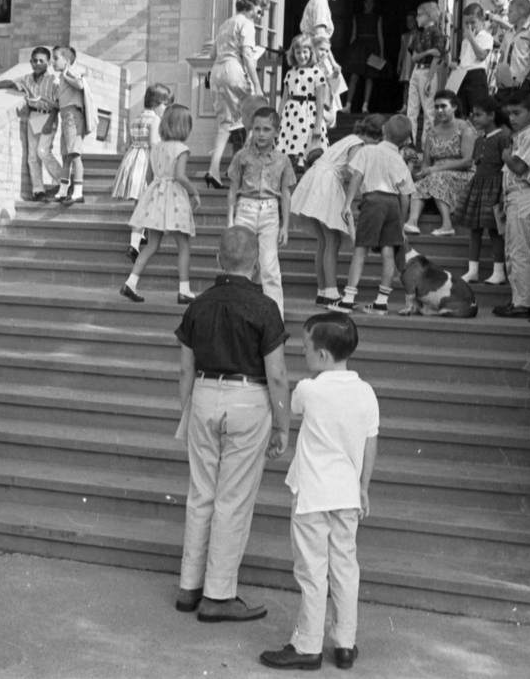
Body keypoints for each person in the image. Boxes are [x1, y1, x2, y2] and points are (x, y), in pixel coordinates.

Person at [173, 225, 290, 623]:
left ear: (217, 259)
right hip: (248, 397)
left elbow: (185, 370)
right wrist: (282, 423)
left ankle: (189, 585)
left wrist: (188, 410)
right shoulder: (264, 308)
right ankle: (219, 594)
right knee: (233, 499)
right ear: (256, 264)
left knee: (200, 494)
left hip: (204, 394)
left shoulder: (198, 305)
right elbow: (276, 375)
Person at [259, 312, 378, 672]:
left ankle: (307, 644)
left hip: (312, 495)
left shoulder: (310, 390)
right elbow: (371, 441)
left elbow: (289, 409)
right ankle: (345, 642)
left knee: (312, 570)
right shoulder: (366, 391)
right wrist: (363, 487)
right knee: (345, 567)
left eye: (306, 346)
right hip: (347, 494)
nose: (302, 352)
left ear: (323, 356)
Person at [329, 115, 417, 316]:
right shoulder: (400, 160)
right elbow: (406, 196)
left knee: (361, 250)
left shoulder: (368, 151)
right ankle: (381, 302)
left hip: (373, 201)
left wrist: (347, 203)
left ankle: (348, 299)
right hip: (393, 204)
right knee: (388, 253)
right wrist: (402, 223)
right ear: (405, 141)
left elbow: (357, 177)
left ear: (384, 130)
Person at [120, 104, 201, 304]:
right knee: (183, 245)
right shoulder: (182, 149)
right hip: (174, 198)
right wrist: (194, 191)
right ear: (185, 127)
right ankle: (184, 290)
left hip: (156, 197)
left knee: (151, 245)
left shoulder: (155, 148)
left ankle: (131, 281)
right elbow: (180, 176)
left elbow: (148, 176)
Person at [291, 115, 374, 307]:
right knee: (332, 240)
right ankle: (330, 291)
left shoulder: (350, 138)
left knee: (324, 240)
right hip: (326, 183)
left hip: (316, 178)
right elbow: (355, 170)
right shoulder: (359, 144)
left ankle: (323, 290)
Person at [226, 107, 296, 315]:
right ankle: (236, 311)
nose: (261, 134)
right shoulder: (242, 156)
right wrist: (230, 220)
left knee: (269, 266)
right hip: (245, 209)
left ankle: (275, 317)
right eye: (257, 129)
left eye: (266, 129)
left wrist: (285, 225)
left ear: (276, 131)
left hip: (269, 212)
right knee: (239, 263)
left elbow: (285, 193)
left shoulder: (283, 160)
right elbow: (232, 188)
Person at [207, 0, 269, 188]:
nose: (260, 16)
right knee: (252, 118)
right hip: (234, 71)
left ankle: (213, 169)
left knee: (226, 123)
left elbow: (212, 54)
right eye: (260, 11)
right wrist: (258, 87)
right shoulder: (246, 24)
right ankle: (238, 167)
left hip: (216, 73)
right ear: (252, 5)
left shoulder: (225, 24)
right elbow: (248, 58)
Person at [0, 47, 61, 202]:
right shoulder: (27, 79)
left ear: (48, 63)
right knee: (32, 156)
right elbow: (10, 83)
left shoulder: (54, 81)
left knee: (43, 151)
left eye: (41, 61)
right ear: (31, 62)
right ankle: (38, 190)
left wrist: (49, 122)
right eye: (35, 60)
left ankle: (63, 181)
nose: (38, 63)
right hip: (33, 116)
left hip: (48, 117)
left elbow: (58, 105)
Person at [492, 90, 530, 318]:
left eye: (517, 113)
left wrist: (505, 156)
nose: (512, 118)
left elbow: (519, 167)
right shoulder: (521, 136)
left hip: (524, 194)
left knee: (519, 251)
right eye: (509, 114)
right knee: (512, 250)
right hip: (514, 195)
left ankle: (524, 302)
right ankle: (518, 299)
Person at [453, 97, 511, 285]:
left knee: (494, 230)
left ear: (492, 115)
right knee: (475, 229)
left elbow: (506, 166)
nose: (474, 118)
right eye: (473, 115)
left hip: (495, 186)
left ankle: (499, 270)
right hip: (478, 186)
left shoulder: (502, 137)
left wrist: (503, 192)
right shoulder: (479, 140)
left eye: (479, 115)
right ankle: (473, 270)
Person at [404, 90, 477, 237]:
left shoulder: (465, 128)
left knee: (438, 178)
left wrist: (435, 169)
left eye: (443, 106)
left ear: (454, 107)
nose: (439, 110)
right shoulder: (432, 132)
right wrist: (423, 172)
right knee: (418, 184)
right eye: (436, 107)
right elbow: (425, 163)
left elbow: (467, 161)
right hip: (436, 173)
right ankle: (412, 222)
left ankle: (447, 225)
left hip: (463, 174)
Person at [115, 83, 172, 261]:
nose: (166, 109)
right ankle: (134, 242)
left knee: (141, 201)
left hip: (133, 158)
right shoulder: (155, 120)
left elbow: (128, 143)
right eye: (165, 105)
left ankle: (141, 234)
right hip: (146, 162)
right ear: (156, 103)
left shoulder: (137, 118)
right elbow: (154, 143)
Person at [274, 34, 330, 168]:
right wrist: (278, 119)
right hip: (291, 115)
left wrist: (317, 125)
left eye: (305, 52)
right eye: (298, 52)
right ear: (293, 53)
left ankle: (304, 167)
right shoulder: (290, 73)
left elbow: (320, 102)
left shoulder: (317, 73)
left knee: (309, 149)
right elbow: (284, 99)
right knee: (290, 148)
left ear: (311, 52)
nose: (302, 56)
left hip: (309, 116)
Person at [51, 45, 97, 205]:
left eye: (56, 58)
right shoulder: (63, 76)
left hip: (73, 116)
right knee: (66, 155)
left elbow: (80, 84)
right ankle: (63, 189)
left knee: (74, 154)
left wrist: (65, 75)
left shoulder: (69, 72)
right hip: (65, 115)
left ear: (67, 60)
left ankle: (78, 191)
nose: (53, 62)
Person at [404, 2, 447, 141]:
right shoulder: (418, 34)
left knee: (428, 111)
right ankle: (410, 141)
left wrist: (429, 78)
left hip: (429, 71)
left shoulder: (436, 32)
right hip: (417, 70)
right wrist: (427, 52)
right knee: (412, 109)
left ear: (429, 16)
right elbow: (415, 56)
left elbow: (437, 56)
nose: (417, 18)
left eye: (420, 15)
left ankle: (425, 145)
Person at [452, 4, 495, 116]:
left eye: (473, 22)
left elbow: (481, 55)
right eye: (466, 23)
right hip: (462, 75)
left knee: (477, 110)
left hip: (476, 76)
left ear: (481, 21)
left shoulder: (485, 36)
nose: (469, 26)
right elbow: (464, 60)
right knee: (461, 110)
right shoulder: (465, 40)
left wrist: (471, 38)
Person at [344, 0, 384, 114]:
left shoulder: (377, 17)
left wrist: (381, 53)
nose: (369, 5)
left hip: (373, 47)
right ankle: (348, 105)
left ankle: (365, 106)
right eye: (368, 2)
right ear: (364, 3)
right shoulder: (357, 17)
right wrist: (350, 52)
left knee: (369, 76)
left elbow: (380, 35)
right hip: (359, 46)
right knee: (354, 75)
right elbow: (353, 34)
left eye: (372, 2)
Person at [493, 0, 530, 94]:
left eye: (510, 11)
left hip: (520, 80)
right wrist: (498, 74)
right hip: (505, 80)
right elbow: (502, 55)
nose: (507, 14)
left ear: (521, 12)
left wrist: (523, 75)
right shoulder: (509, 32)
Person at [397, 11, 417, 104]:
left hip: (415, 62)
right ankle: (404, 105)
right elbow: (401, 51)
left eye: (411, 21)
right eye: (407, 21)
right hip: (406, 62)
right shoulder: (404, 36)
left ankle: (414, 105)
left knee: (414, 85)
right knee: (406, 84)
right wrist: (399, 64)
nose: (409, 23)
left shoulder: (420, 35)